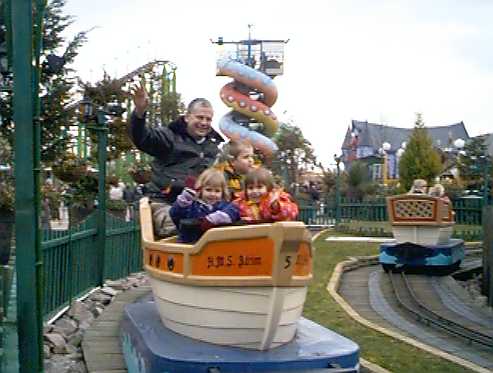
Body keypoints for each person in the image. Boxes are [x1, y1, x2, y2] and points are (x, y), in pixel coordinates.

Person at [128, 84, 223, 237]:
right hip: (164, 200)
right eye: (200, 117)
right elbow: (143, 138)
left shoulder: (212, 148)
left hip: (197, 204)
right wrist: (139, 113)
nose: (204, 123)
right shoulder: (169, 137)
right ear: (187, 117)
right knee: (172, 223)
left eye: (208, 119)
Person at [169, 168, 240, 243]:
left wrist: (215, 218)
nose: (212, 194)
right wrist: (183, 202)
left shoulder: (224, 205)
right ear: (201, 189)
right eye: (208, 190)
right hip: (191, 244)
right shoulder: (193, 206)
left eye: (217, 191)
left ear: (223, 192)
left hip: (217, 245)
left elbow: (234, 212)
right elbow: (175, 215)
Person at [233, 167, 299, 222]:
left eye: (259, 187)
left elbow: (291, 213)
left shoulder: (277, 199)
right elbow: (232, 215)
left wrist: (276, 206)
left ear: (268, 188)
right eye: (250, 188)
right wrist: (240, 220)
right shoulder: (241, 203)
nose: (255, 191)